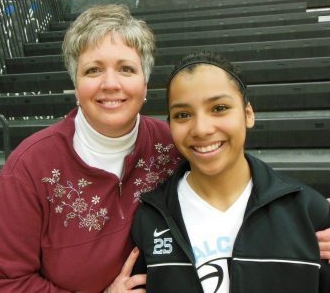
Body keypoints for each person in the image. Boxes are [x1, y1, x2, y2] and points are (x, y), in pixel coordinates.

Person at [0, 4, 330, 292]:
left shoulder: (172, 142)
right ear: (75, 84)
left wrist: (307, 218)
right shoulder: (33, 166)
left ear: (144, 84)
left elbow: (232, 167)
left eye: (126, 69)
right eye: (93, 70)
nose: (111, 84)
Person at [131, 50, 330, 292]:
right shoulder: (150, 217)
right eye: (183, 115)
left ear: (248, 114)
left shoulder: (308, 211)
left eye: (219, 108)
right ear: (170, 125)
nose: (202, 129)